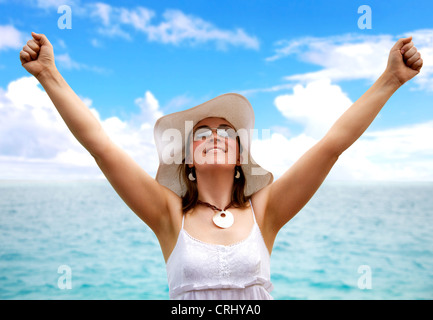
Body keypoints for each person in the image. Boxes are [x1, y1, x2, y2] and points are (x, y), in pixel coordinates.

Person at [20, 32, 423, 300]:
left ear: (239, 157)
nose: (213, 136)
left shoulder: (266, 209)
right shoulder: (167, 214)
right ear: (188, 159)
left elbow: (332, 145)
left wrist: (391, 79)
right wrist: (49, 74)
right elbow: (101, 147)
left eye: (226, 131)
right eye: (201, 132)